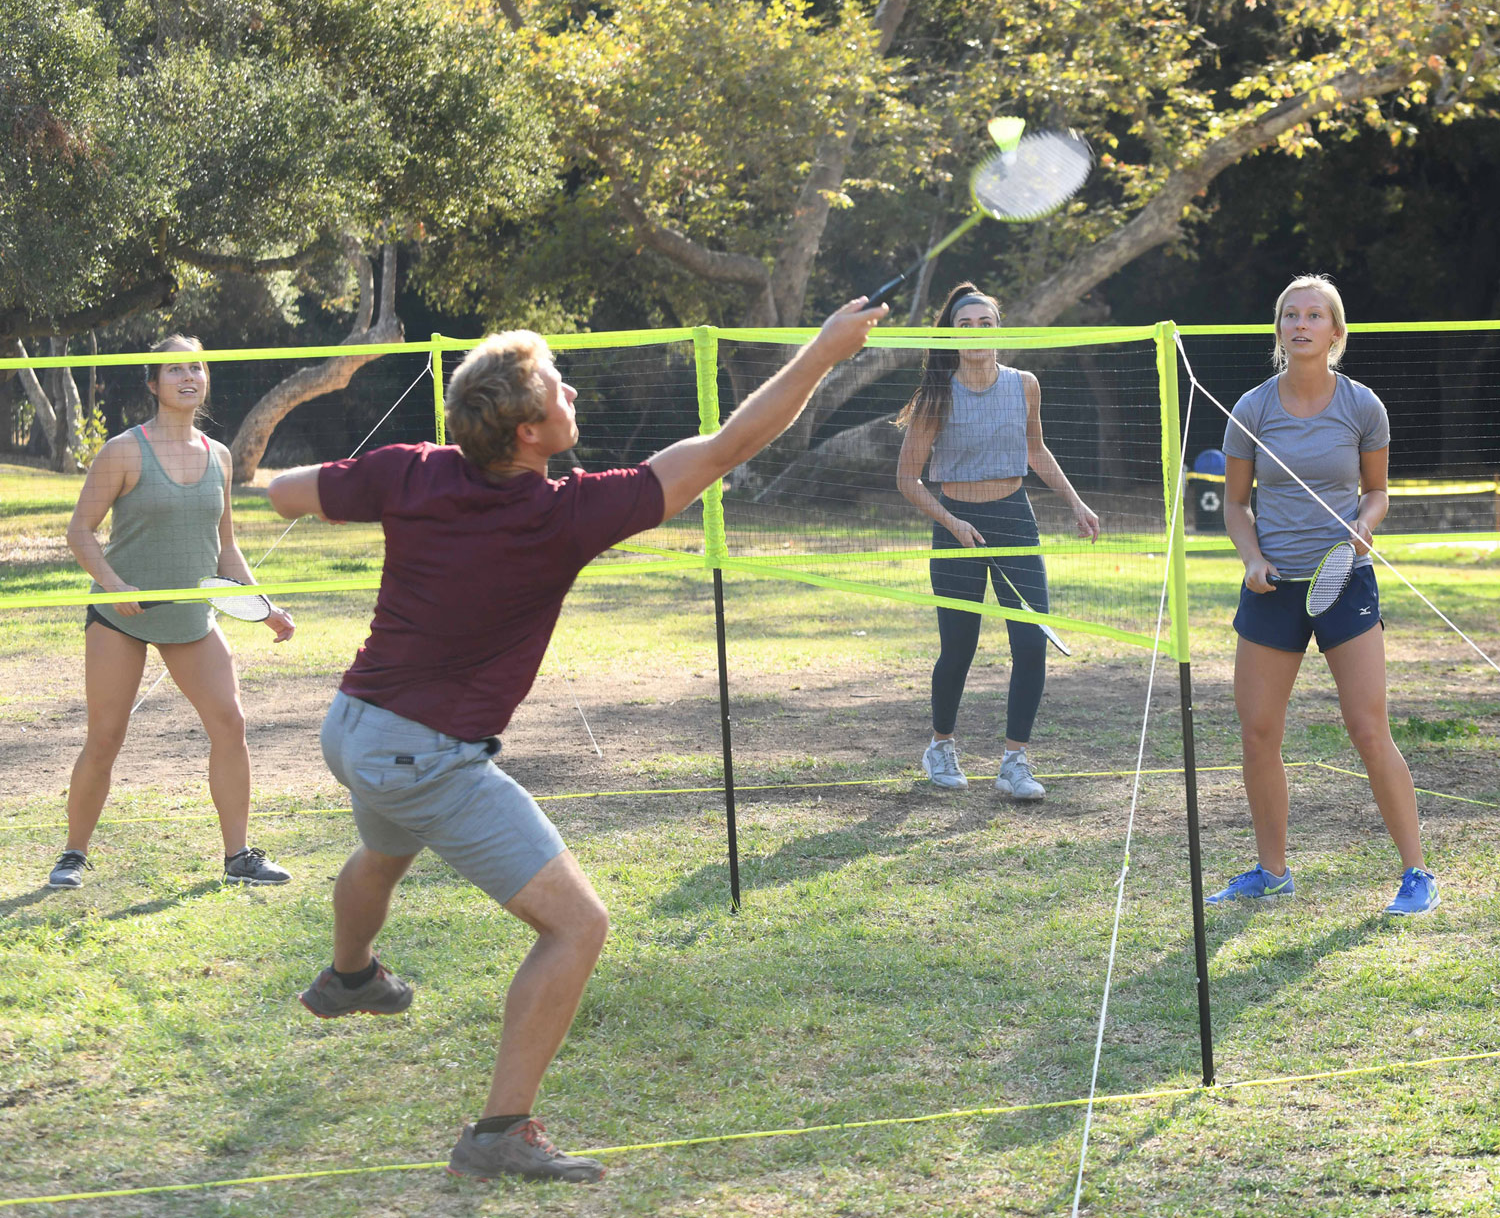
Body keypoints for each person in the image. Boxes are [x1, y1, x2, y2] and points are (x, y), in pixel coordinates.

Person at [267, 297, 887, 1185]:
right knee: (578, 926)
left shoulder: (413, 470)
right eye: (558, 388)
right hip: (422, 754)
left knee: (385, 848)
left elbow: (285, 494)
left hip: (352, 727)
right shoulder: (563, 515)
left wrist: (347, 492)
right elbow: (727, 448)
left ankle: (350, 978)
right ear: (527, 432)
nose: (573, 394)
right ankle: (498, 1132)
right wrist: (824, 351)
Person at [1210, 274, 1437, 916]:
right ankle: (1272, 871)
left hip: (1344, 581)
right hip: (1273, 587)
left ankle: (1417, 873)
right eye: (1291, 315)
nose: (1300, 324)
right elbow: (1235, 504)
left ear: (1335, 332)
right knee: (1258, 732)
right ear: (1279, 330)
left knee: (1368, 728)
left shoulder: (1363, 406)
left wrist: (1366, 522)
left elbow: (1377, 490)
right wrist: (1252, 559)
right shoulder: (1252, 408)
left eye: (1314, 315)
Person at [49, 335, 296, 890]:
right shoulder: (123, 451)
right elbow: (80, 532)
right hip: (122, 616)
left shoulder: (220, 456)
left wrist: (264, 607)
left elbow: (225, 548)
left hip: (190, 617)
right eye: (175, 369)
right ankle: (73, 855)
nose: (188, 377)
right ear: (153, 384)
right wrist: (113, 585)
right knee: (105, 737)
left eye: (197, 368)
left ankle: (239, 857)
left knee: (230, 723)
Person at [896, 282, 1099, 798]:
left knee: (1031, 643)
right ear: (951, 335)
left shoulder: (1024, 384)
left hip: (1014, 519)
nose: (975, 332)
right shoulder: (936, 394)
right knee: (958, 648)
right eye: (964, 325)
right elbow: (906, 478)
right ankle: (941, 745)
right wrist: (951, 522)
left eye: (984, 323)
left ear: (998, 330)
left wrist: (1075, 502)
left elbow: (1036, 450)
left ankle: (1015, 763)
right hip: (957, 525)